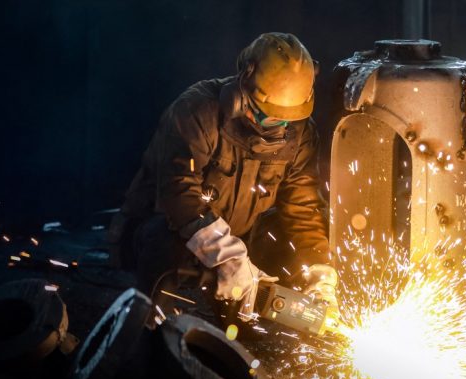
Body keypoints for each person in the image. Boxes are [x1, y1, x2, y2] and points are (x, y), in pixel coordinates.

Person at [108, 32, 338, 324]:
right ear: (245, 87)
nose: (276, 127)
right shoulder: (198, 111)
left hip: (235, 243)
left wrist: (319, 273)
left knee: (280, 245)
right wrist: (227, 255)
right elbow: (179, 192)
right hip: (167, 231)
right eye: (267, 116)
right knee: (163, 241)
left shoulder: (301, 135)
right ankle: (147, 327)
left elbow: (302, 209)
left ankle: (254, 337)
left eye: (285, 120)